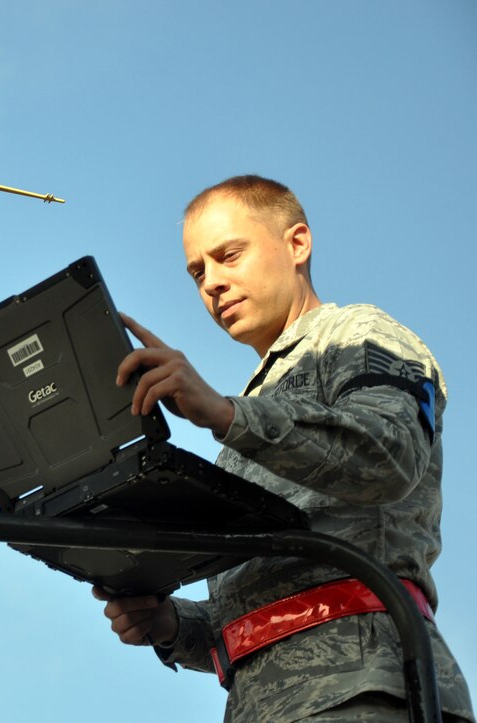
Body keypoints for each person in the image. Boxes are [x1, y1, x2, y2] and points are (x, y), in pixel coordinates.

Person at [93, 175, 474, 721]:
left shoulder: (358, 335)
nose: (213, 284)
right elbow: (260, 611)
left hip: (368, 688)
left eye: (229, 255)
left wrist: (225, 414)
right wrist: (170, 625)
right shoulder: (255, 407)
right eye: (198, 272)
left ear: (297, 243)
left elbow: (390, 457)